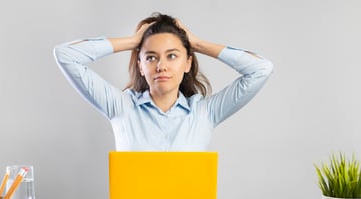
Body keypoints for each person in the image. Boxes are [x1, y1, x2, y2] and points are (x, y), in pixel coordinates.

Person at [54, 13, 273, 151]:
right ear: (140, 65)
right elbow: (65, 55)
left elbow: (261, 69)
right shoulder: (121, 106)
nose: (161, 66)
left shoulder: (205, 111)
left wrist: (196, 43)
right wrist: (132, 42)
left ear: (188, 63)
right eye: (151, 57)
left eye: (172, 55)